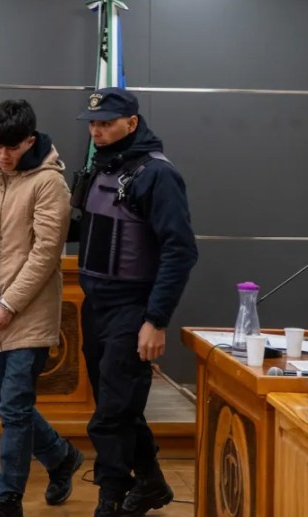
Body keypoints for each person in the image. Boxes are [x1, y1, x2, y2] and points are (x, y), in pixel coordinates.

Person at [73, 87, 198, 517]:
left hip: (132, 307)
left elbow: (180, 251)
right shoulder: (101, 166)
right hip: (95, 306)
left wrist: (155, 319)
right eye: (92, 123)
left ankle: (109, 497)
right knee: (118, 405)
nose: (97, 131)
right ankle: (150, 482)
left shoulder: (157, 174)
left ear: (131, 122)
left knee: (111, 413)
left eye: (106, 123)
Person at [0, 99, 83, 517]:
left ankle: (6, 499)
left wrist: (10, 304)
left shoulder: (49, 183)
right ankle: (61, 456)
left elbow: (46, 254)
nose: (4, 155)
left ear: (30, 141)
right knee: (11, 406)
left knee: (13, 407)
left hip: (29, 314)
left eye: (12, 147)